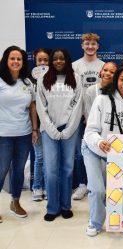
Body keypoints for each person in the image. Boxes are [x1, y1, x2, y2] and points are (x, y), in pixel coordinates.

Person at [83, 65, 123, 236]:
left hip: (118, 154)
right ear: (116, 80)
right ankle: (95, 222)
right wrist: (99, 142)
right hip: (94, 150)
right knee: (98, 190)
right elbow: (90, 131)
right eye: (122, 79)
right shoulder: (101, 99)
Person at [36, 48, 82, 221]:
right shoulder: (43, 79)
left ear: (67, 60)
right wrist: (52, 130)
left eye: (62, 58)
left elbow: (77, 106)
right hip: (49, 131)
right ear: (51, 61)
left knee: (68, 169)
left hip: (69, 129)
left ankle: (65, 206)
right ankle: (52, 208)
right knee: (51, 169)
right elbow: (41, 107)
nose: (58, 61)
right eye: (55, 59)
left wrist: (68, 129)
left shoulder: (76, 78)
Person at [0, 46, 38, 222]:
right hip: (3, 135)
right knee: (1, 170)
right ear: (6, 60)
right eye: (12, 58)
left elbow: (32, 106)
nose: (15, 62)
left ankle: (15, 202)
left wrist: (34, 129)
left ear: (23, 62)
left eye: (19, 59)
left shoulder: (28, 82)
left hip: (23, 134)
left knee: (18, 170)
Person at [72, 33, 105, 201]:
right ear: (82, 46)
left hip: (100, 118)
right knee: (80, 153)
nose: (90, 46)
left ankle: (100, 184)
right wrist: (84, 114)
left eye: (93, 44)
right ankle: (83, 184)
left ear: (98, 46)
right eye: (87, 43)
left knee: (101, 152)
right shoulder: (74, 66)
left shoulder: (104, 66)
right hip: (79, 117)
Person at [31, 48, 50, 202]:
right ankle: (37, 186)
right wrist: (35, 128)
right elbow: (32, 106)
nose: (43, 63)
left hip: (52, 125)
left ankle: (49, 187)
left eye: (45, 60)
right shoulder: (29, 81)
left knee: (51, 159)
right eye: (40, 60)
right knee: (40, 157)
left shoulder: (54, 79)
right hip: (37, 125)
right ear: (35, 61)